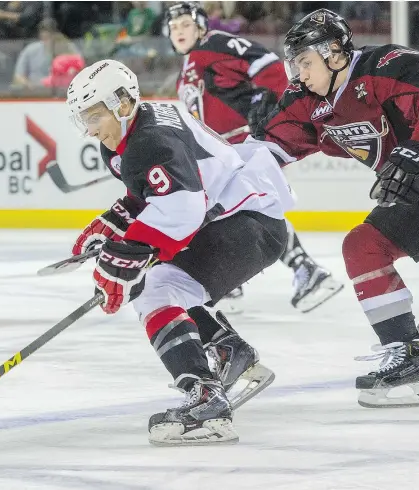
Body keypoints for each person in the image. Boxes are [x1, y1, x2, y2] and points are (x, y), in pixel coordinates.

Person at [66, 59, 296, 444]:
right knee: (153, 283)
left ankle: (207, 402)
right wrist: (117, 220)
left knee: (155, 288)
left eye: (94, 117)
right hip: (241, 217)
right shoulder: (134, 132)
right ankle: (229, 351)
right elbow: (158, 192)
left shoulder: (150, 140)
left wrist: (125, 255)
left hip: (247, 223)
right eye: (83, 120)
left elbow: (183, 206)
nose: (90, 131)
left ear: (122, 104)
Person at [251, 8, 419, 408]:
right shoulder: (305, 99)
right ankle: (410, 355)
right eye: (294, 63)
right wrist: (200, 176)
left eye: (305, 61)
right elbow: (263, 154)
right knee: (364, 247)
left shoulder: (385, 67)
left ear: (334, 54)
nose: (297, 73)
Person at [164, 2, 344, 313]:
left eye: (185, 24)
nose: (178, 31)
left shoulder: (216, 43)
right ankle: (245, 281)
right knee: (231, 212)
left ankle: (306, 271)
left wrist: (267, 99)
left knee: (248, 209)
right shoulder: (185, 73)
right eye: (173, 27)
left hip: (246, 144)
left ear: (201, 27)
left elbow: (268, 64)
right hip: (223, 152)